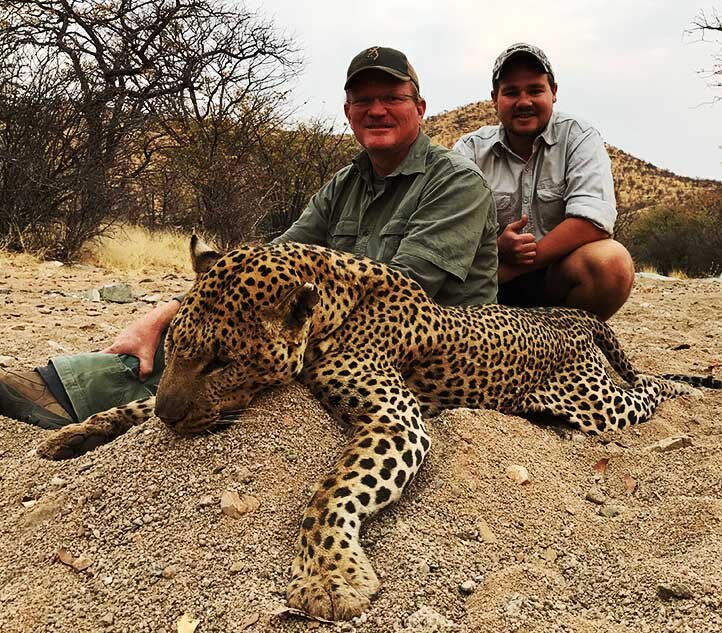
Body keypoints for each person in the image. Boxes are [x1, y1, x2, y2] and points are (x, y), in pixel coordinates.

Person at [0, 46, 498, 430]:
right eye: (363, 100)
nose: (377, 110)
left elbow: (403, 293)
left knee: (239, 351)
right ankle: (78, 378)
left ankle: (68, 391)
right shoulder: (343, 184)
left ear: (420, 107)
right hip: (344, 344)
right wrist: (169, 311)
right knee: (207, 337)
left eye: (392, 98)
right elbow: (264, 264)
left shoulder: (455, 181)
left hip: (431, 358)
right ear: (348, 111)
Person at [454, 43, 634, 321]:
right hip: (486, 285)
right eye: (511, 92)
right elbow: (451, 228)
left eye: (535, 90)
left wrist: (515, 267)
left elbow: (593, 222)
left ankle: (567, 343)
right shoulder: (469, 150)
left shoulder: (580, 137)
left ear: (554, 92)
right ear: (494, 98)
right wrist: (495, 249)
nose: (523, 102)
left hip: (551, 278)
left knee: (611, 264)